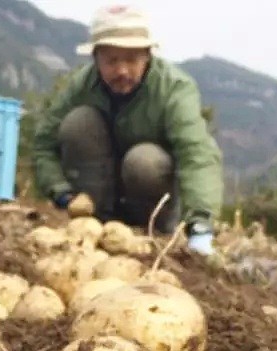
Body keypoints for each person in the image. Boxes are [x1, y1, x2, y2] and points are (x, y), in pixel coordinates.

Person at [31, 4, 224, 242]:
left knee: (144, 162)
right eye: (111, 61)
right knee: (78, 123)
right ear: (96, 59)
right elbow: (43, 144)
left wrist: (200, 223)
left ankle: (151, 231)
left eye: (132, 59)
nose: (122, 70)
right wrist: (61, 192)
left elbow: (197, 154)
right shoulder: (81, 86)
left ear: (147, 56)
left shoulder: (174, 89)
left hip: (149, 200)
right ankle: (93, 225)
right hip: (94, 198)